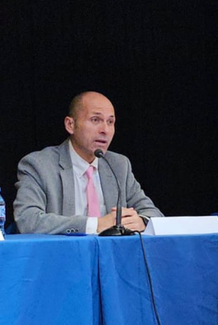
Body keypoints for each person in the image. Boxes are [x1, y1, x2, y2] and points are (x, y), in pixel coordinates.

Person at [13, 91, 162, 234]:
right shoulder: (39, 165)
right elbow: (28, 220)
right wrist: (96, 225)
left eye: (110, 122)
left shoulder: (119, 165)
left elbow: (153, 213)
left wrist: (142, 221)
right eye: (95, 120)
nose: (105, 130)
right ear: (70, 125)